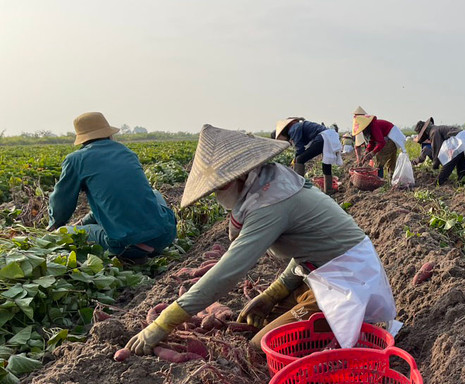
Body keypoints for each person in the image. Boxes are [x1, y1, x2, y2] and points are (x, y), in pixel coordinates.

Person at [125, 125, 399, 355]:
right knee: (262, 318)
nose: (218, 195)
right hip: (325, 273)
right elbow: (308, 249)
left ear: (241, 174)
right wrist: (273, 293)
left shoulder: (271, 202)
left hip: (349, 283)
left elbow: (229, 270)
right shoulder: (269, 184)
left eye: (221, 185)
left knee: (259, 348)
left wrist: (165, 321)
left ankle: (355, 333)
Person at [48, 112, 177, 264]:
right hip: (165, 235)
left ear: (83, 140)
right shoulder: (127, 152)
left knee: (65, 233)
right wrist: (83, 222)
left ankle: (133, 253)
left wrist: (55, 225)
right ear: (109, 134)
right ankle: (146, 244)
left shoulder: (76, 160)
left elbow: (61, 203)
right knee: (153, 194)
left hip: (129, 245)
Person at [274, 118, 342, 195]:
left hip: (324, 137)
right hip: (330, 137)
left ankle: (298, 188)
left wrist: (296, 161)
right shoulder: (298, 126)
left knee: (300, 159)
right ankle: (328, 190)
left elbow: (300, 148)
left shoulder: (293, 129)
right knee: (326, 163)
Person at [413, 117, 465, 185]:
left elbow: (437, 151)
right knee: (461, 162)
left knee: (449, 163)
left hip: (458, 142)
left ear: (425, 132)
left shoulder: (434, 132)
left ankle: (438, 183)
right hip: (464, 140)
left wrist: (435, 166)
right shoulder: (435, 129)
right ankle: (461, 182)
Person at [352, 114, 406, 179]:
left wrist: (372, 153)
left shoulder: (374, 126)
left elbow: (381, 143)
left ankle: (380, 178)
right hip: (390, 138)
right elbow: (372, 141)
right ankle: (391, 177)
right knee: (390, 160)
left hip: (392, 138)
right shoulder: (371, 127)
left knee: (379, 159)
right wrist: (367, 151)